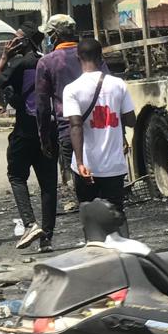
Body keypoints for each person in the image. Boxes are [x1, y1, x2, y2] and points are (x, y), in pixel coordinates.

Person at [0, 23, 57, 251]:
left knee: (16, 176)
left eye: (16, 39)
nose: (11, 43)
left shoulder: (18, 63)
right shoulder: (47, 60)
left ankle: (30, 223)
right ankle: (46, 239)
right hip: (49, 129)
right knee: (48, 184)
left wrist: (3, 58)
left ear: (25, 41)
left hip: (25, 130)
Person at [35, 14, 108, 205]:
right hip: (102, 127)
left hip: (68, 131)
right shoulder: (90, 53)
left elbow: (42, 105)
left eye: (49, 34)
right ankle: (110, 227)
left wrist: (44, 138)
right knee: (106, 188)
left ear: (54, 36)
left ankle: (94, 229)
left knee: (85, 190)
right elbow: (109, 87)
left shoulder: (47, 62)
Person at [61, 38, 135, 224]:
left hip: (87, 167)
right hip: (114, 166)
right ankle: (119, 248)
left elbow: (76, 126)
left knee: (90, 217)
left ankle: (95, 251)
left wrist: (79, 163)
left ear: (78, 58)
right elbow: (131, 120)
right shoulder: (119, 84)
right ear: (101, 57)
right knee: (117, 214)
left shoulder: (71, 89)